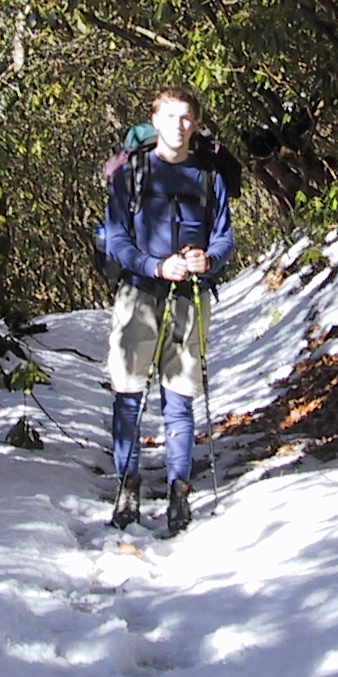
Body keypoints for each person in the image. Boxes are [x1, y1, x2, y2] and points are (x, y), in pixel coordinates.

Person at [99, 86, 233, 535]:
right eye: (170, 116)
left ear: (195, 124)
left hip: (190, 296)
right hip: (139, 293)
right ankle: (128, 487)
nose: (179, 124)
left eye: (187, 117)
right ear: (154, 121)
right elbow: (117, 240)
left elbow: (223, 236)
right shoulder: (132, 174)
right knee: (128, 393)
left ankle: (179, 491)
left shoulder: (208, 176)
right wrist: (155, 265)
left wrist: (208, 260)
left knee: (180, 394)